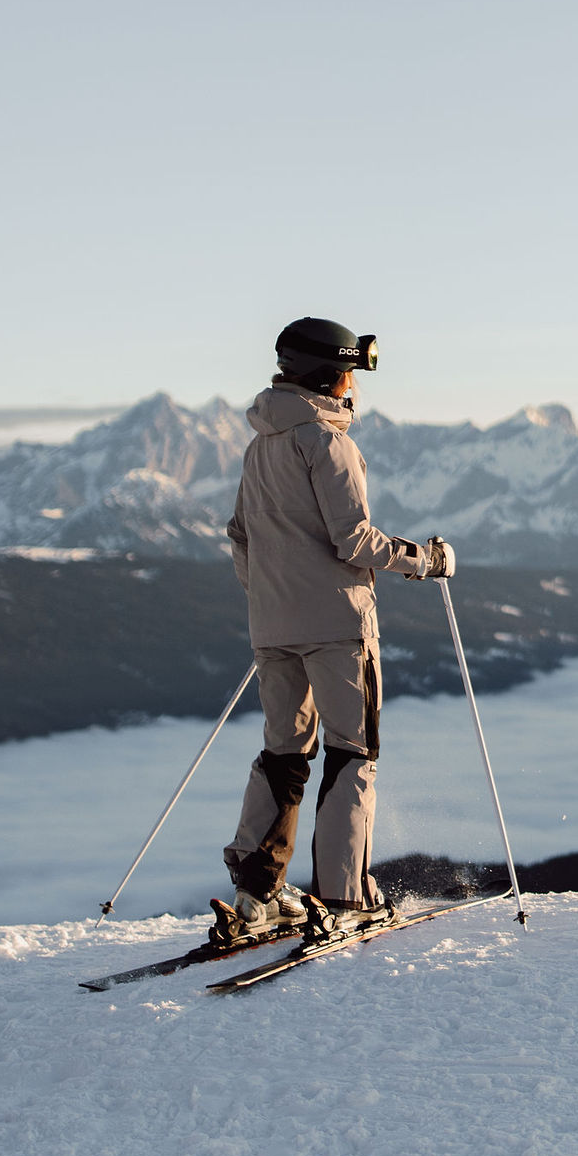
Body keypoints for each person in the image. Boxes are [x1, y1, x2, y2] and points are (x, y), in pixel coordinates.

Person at [216, 316, 456, 943]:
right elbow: (354, 540)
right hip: (339, 628)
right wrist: (423, 561)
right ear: (330, 373)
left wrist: (272, 597)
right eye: (352, 369)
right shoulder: (326, 441)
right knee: (354, 751)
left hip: (272, 626)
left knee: (284, 754)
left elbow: (240, 536)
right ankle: (345, 898)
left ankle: (257, 894)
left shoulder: (260, 443)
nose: (355, 383)